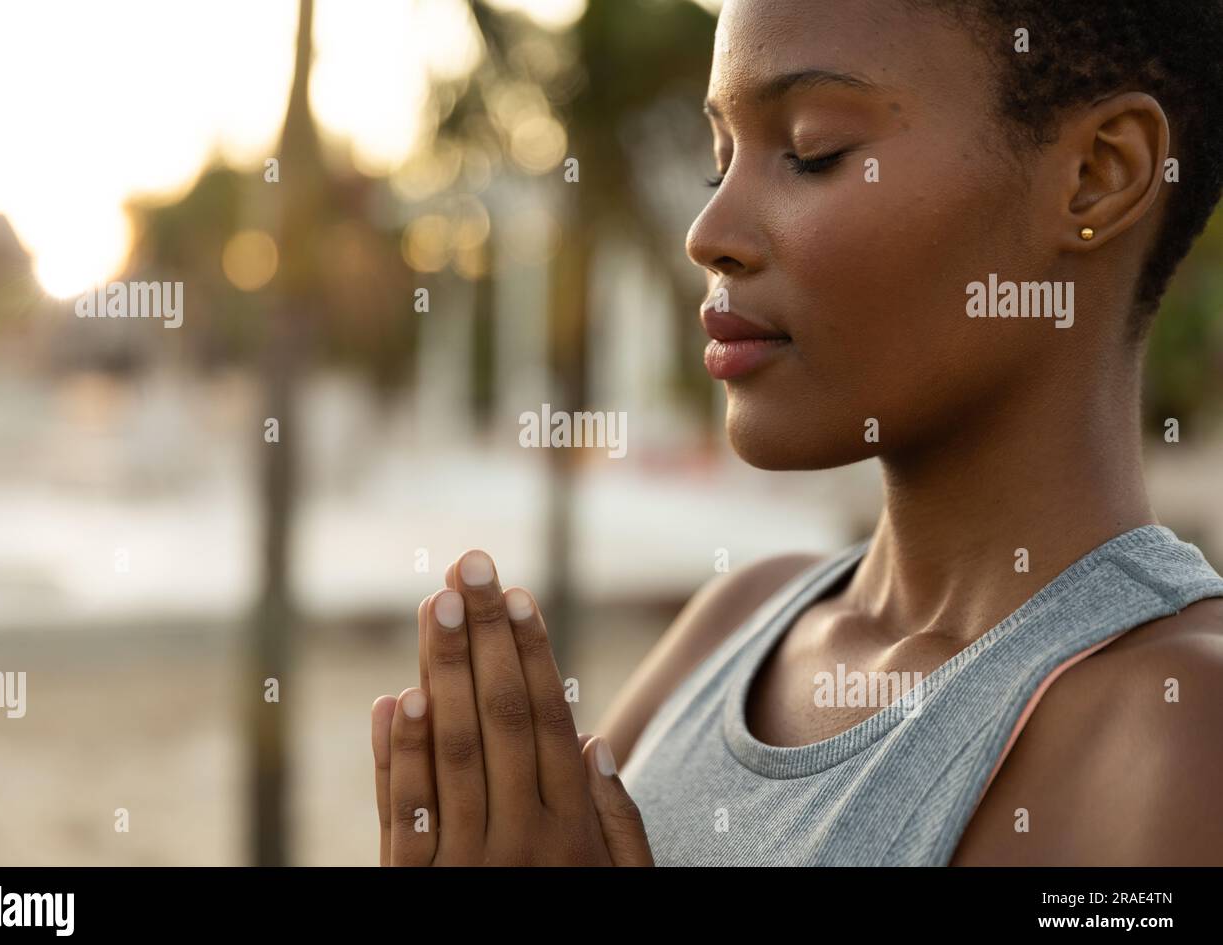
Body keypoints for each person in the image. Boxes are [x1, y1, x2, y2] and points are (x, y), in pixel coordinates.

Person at [370, 0, 1223, 865]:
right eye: (720, 162)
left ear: (1100, 173)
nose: (708, 236)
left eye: (813, 152)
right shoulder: (740, 623)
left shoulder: (1178, 723)